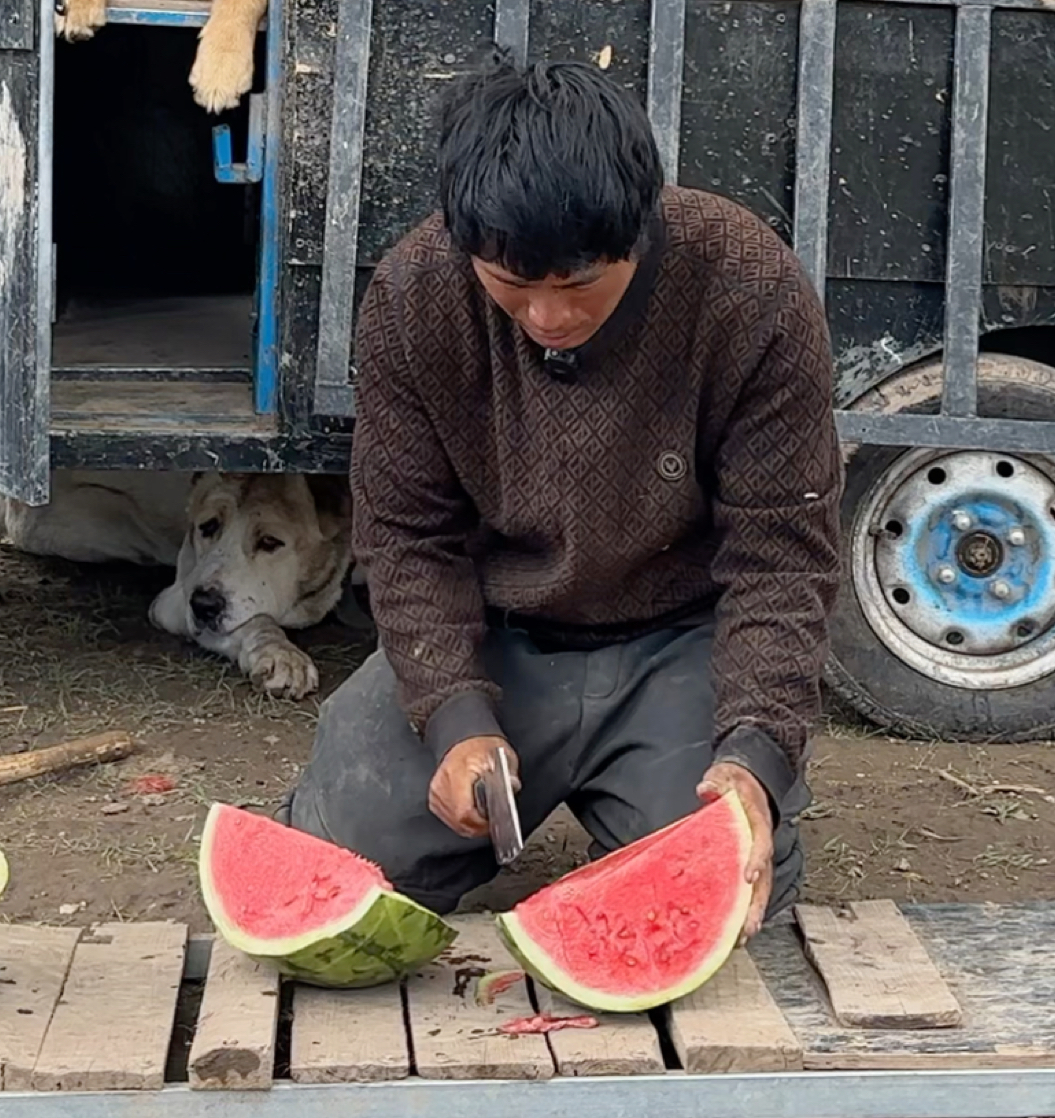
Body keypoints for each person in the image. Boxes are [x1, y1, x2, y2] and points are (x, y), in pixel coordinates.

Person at [284, 60, 839, 922]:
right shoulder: (412, 293)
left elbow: (782, 559)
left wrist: (755, 754)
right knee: (341, 856)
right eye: (512, 287)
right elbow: (406, 538)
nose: (547, 318)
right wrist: (454, 715)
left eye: (579, 286)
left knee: (715, 885)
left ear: (640, 231)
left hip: (684, 644)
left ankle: (669, 787)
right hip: (499, 638)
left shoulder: (749, 287)